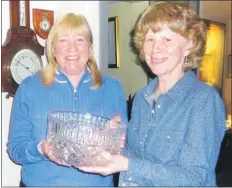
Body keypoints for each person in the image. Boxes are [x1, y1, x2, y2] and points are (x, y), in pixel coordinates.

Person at [78, 2, 226, 186]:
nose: (156, 48)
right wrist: (111, 140)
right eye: (150, 39)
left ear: (189, 45)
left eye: (167, 39)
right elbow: (135, 156)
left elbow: (194, 178)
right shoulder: (142, 97)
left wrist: (127, 165)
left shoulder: (203, 100)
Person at [7, 13, 127, 186]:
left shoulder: (113, 89)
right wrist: (42, 149)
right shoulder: (29, 88)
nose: (72, 48)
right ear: (53, 49)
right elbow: (16, 149)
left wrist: (118, 139)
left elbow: (126, 150)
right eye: (63, 40)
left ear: (90, 47)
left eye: (80, 40)